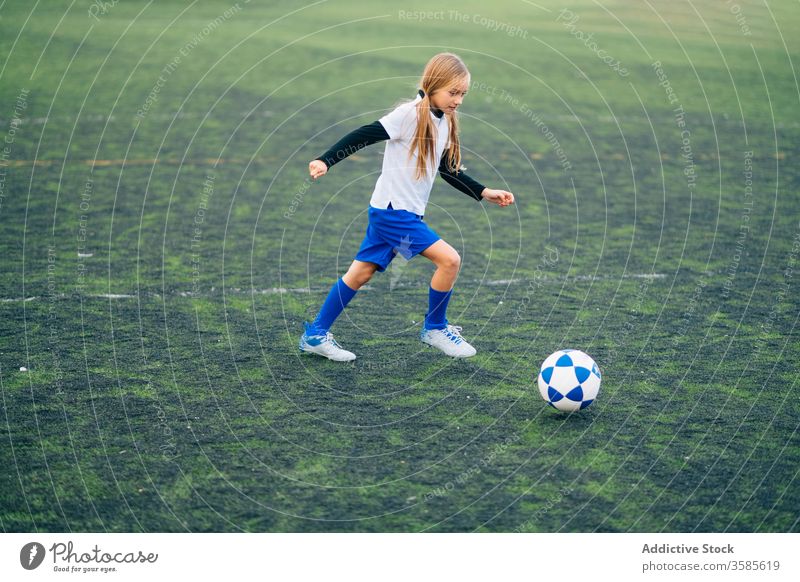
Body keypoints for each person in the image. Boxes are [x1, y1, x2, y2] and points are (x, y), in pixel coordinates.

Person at [300, 52, 515, 362]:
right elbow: (364, 134)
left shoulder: (443, 120)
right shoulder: (409, 114)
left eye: (463, 94)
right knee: (450, 261)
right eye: (453, 92)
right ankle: (435, 328)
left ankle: (315, 335)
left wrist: (484, 192)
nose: (459, 100)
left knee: (360, 274)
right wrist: (326, 160)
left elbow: (447, 170)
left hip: (398, 212)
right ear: (432, 85)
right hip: (393, 213)